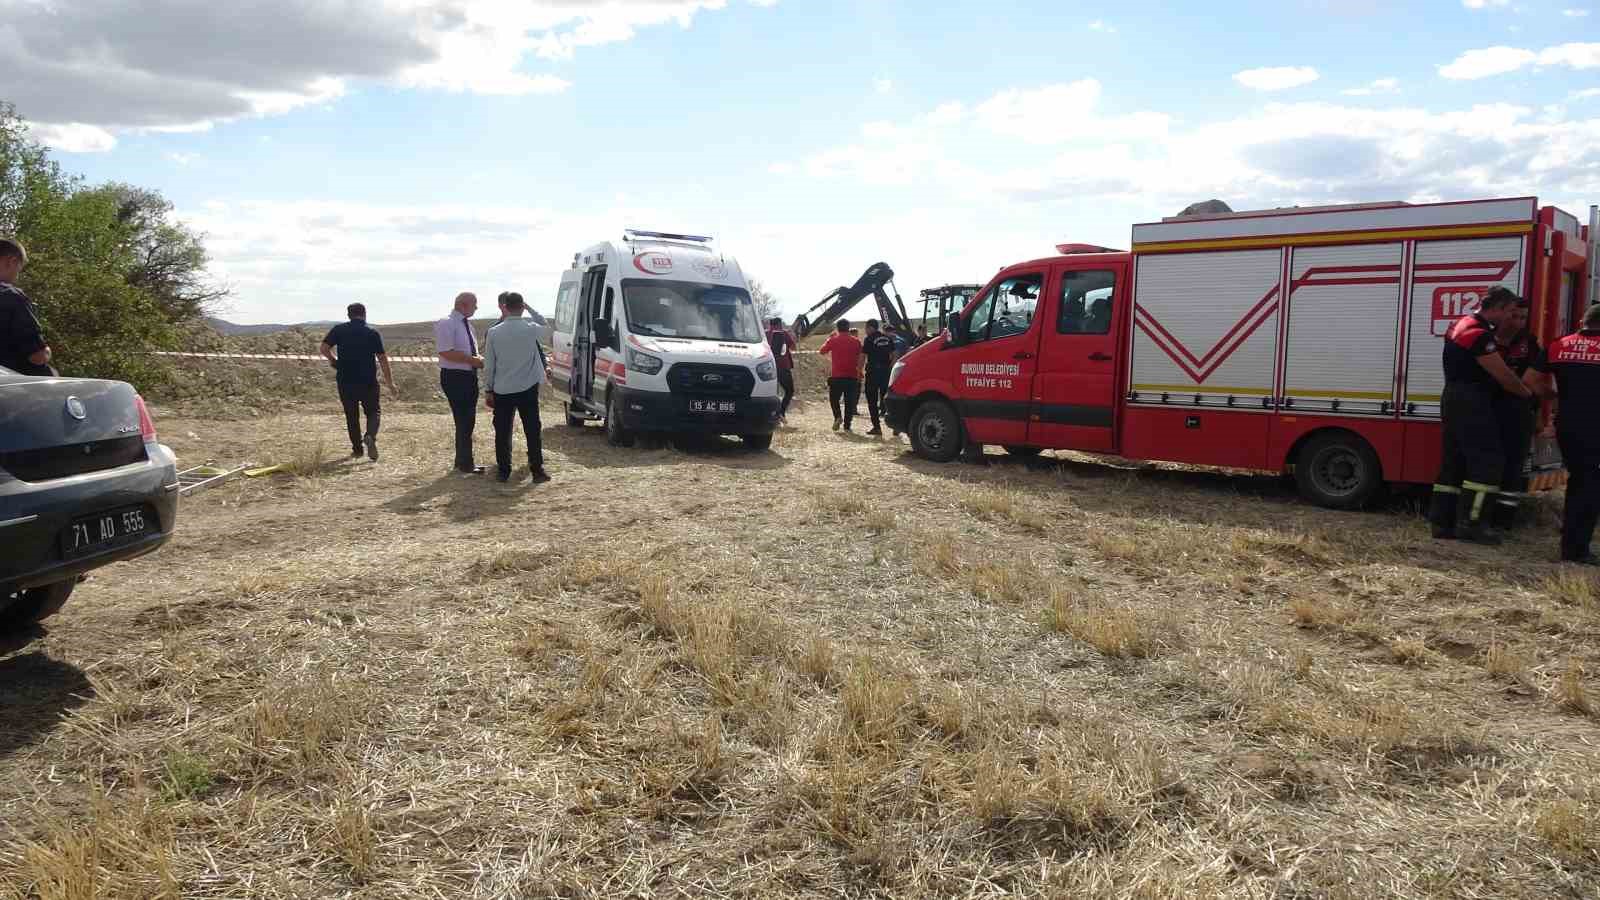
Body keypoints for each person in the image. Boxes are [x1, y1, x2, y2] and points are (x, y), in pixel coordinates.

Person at [1428, 286, 1533, 545]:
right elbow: (1504, 376)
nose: (1510, 317)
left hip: (1455, 397)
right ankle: (1473, 524)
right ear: (1496, 308)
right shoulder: (1478, 333)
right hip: (1471, 400)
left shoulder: (1461, 324)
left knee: (1455, 462)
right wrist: (1527, 394)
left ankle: (1442, 522)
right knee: (1488, 461)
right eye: (1509, 311)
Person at [1533, 303, 1600, 564]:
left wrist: (1557, 397)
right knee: (1589, 486)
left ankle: (1572, 543)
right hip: (1594, 426)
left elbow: (1531, 380)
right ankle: (1575, 549)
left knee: (1579, 480)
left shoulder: (1559, 344)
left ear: (1584, 320)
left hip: (1568, 426)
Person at [483, 291, 552, 484]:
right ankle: (537, 469)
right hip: (528, 388)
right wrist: (530, 308)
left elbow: (489, 364)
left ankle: (504, 471)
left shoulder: (494, 332)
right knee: (532, 428)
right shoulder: (531, 328)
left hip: (502, 388)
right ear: (521, 307)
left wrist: (488, 389)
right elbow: (547, 327)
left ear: (505, 307)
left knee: (503, 430)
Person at [1488, 301, 1543, 530]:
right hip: (1488, 409)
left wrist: (1538, 413)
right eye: (1514, 316)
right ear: (1502, 314)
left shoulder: (1529, 344)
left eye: (1523, 317)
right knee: (1487, 464)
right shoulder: (1485, 340)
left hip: (1519, 412)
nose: (1518, 322)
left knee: (1513, 468)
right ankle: (1482, 515)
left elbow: (1535, 382)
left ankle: (1504, 520)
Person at [320, 303, 395, 461]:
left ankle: (357, 450)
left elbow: (324, 348)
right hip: (368, 380)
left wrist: (334, 361)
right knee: (374, 411)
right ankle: (370, 436)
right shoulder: (372, 332)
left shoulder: (339, 330)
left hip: (345, 380)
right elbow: (382, 358)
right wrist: (390, 382)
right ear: (365, 314)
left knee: (351, 415)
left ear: (348, 315)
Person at [435, 292, 485, 474]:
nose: (476, 308)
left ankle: (462, 461)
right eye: (474, 304)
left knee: (467, 420)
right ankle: (465, 463)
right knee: (464, 419)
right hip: (455, 376)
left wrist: (479, 360)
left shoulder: (468, 325)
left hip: (468, 376)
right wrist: (473, 361)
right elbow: (446, 351)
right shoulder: (446, 323)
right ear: (463, 305)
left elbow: (468, 351)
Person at [0, 238, 54, 376]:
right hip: (13, 389)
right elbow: (37, 356)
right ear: (10, 261)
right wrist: (47, 352)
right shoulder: (10, 296)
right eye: (19, 269)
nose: (17, 276)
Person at [818, 319, 863, 431]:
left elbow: (822, 351)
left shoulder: (833, 340)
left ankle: (838, 416)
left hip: (837, 375)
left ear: (838, 328)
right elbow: (861, 357)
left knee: (834, 399)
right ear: (848, 328)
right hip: (852, 375)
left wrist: (829, 339)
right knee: (849, 402)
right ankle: (847, 425)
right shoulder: (856, 341)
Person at [861, 319, 898, 437]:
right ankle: (896, 426)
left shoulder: (869, 339)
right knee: (887, 400)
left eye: (866, 328)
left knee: (872, 400)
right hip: (885, 373)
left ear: (871, 328)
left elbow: (863, 356)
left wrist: (859, 370)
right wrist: (890, 368)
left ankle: (877, 427)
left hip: (873, 373)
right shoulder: (887, 339)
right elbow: (894, 355)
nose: (866, 331)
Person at [766, 316, 797, 424]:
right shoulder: (783, 333)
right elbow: (793, 348)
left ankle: (769, 415)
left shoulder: (764, 334)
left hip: (767, 367)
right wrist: (793, 337)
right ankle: (781, 413)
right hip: (783, 367)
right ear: (779, 324)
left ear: (770, 324)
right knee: (789, 391)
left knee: (771, 393)